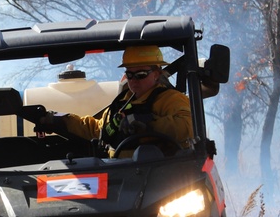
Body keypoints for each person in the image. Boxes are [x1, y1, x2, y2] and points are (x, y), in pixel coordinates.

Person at [33, 45, 193, 157]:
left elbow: (189, 126)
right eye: (130, 75)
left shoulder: (170, 99)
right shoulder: (123, 101)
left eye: (141, 74)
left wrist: (148, 124)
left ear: (157, 74)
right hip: (116, 173)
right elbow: (98, 130)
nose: (134, 80)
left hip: (157, 176)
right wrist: (60, 121)